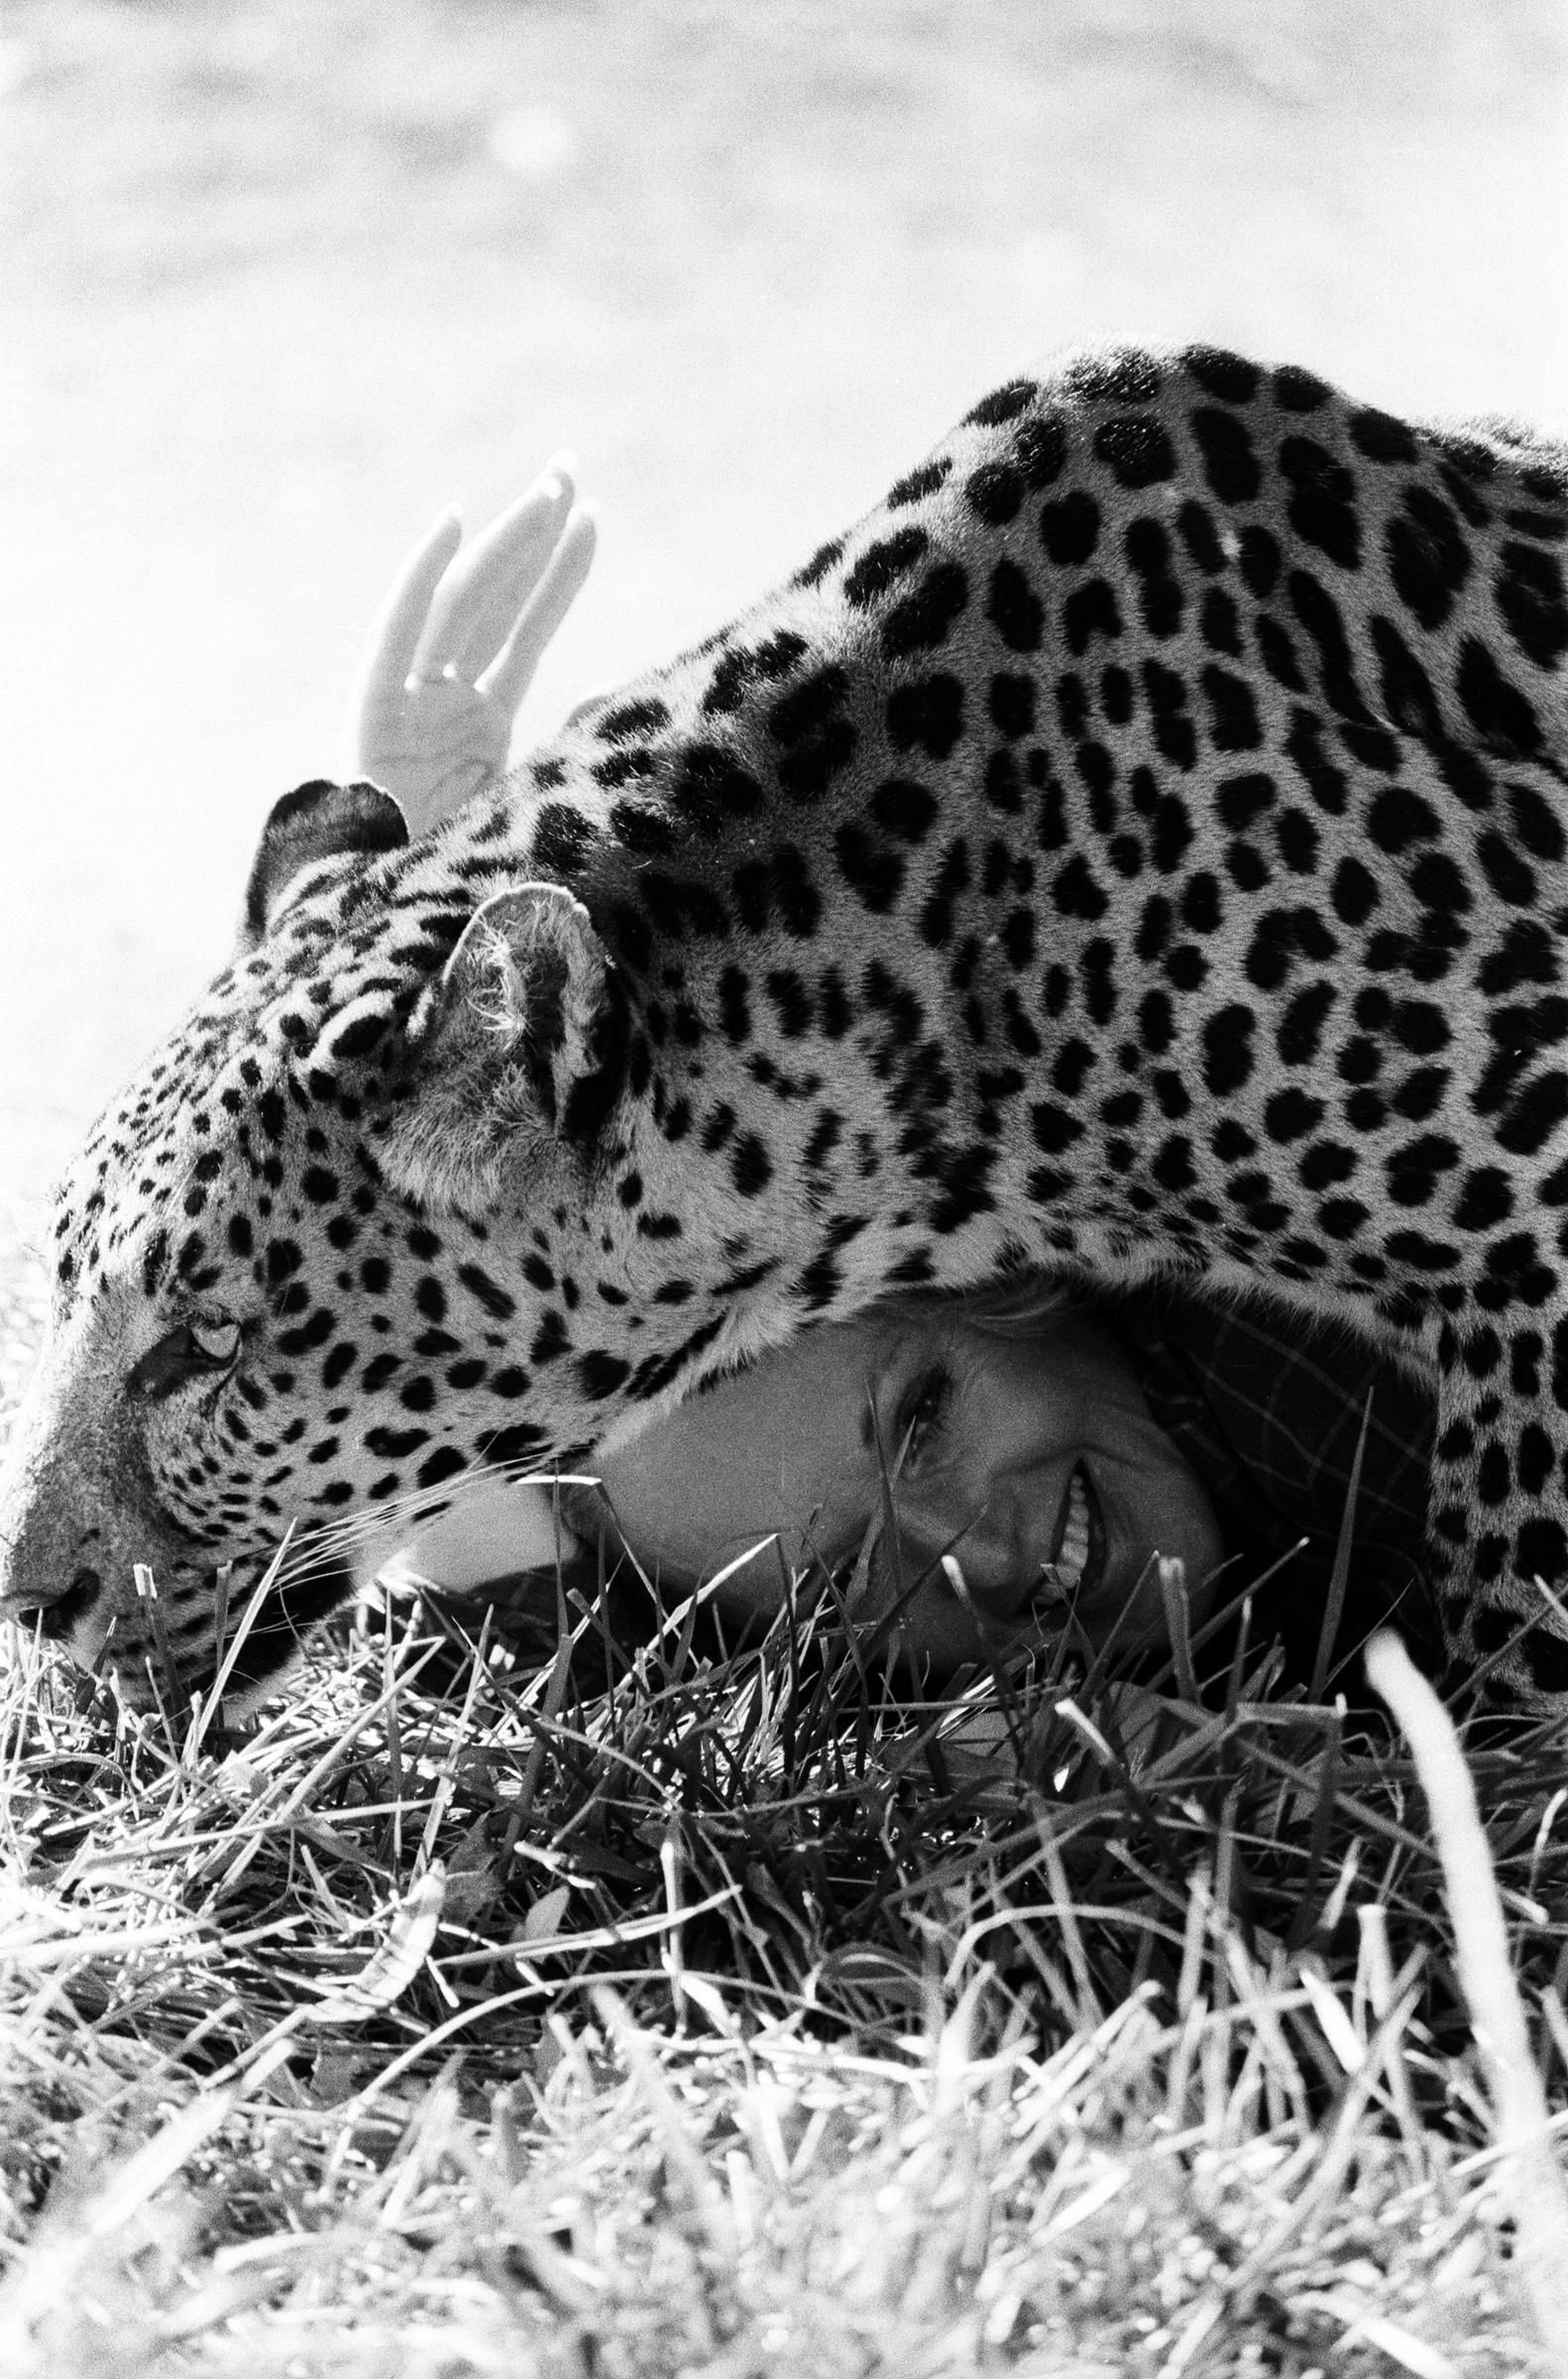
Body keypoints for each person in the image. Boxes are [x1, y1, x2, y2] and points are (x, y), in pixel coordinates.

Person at [345, 474, 1441, 1695]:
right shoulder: (1201, 1634)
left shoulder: (1296, 1257)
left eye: (921, 1417)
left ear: (993, 1263)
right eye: (849, 1583)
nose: (967, 1557)